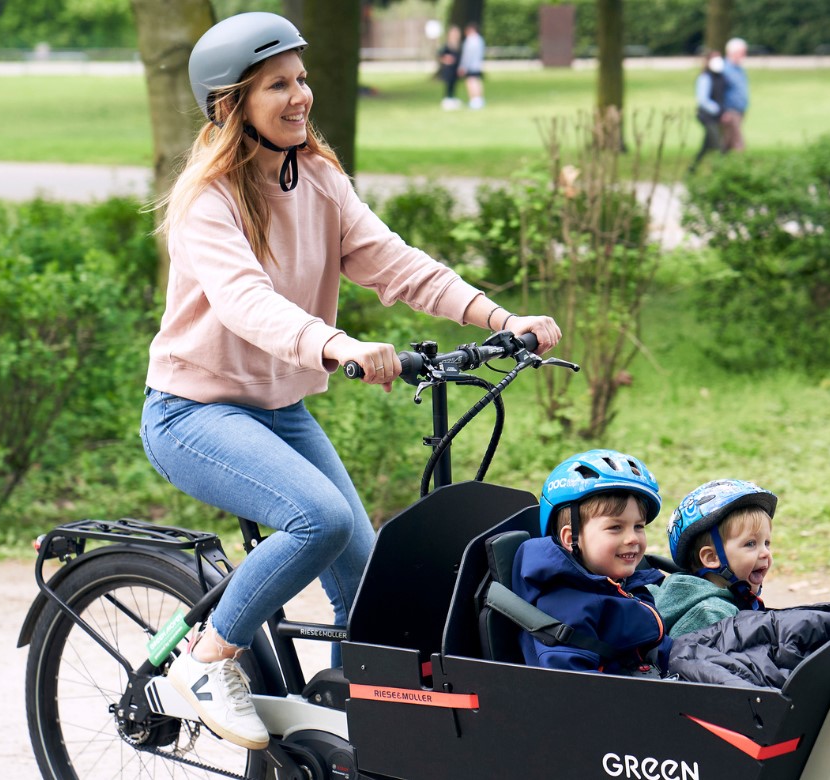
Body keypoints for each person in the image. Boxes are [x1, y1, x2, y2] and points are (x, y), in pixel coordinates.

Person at [143, 11, 561, 750]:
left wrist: (499, 318)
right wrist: (336, 345)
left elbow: (395, 264)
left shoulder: (320, 179)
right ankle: (208, 662)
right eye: (277, 84)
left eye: (302, 79)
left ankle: (355, 741)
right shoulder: (207, 203)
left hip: (278, 410)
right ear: (230, 103)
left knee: (369, 588)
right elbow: (249, 304)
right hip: (193, 414)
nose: (300, 95)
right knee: (322, 519)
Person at [512, 450, 671, 674]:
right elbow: (575, 687)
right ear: (571, 539)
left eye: (638, 526)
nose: (633, 538)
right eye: (615, 528)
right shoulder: (566, 608)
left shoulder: (620, 583)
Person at [655, 479, 777, 637]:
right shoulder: (710, 615)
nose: (765, 553)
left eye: (766, 543)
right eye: (751, 543)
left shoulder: (728, 601)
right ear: (711, 557)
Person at [690, 50, 727, 173]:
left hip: (715, 116)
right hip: (706, 116)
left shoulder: (720, 76)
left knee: (706, 146)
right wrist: (718, 110)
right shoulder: (705, 77)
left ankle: (692, 169)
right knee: (717, 144)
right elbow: (703, 100)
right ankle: (721, 171)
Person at [720, 37, 749, 152]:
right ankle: (742, 166)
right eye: (742, 52)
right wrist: (723, 111)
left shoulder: (739, 69)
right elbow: (719, 92)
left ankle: (720, 163)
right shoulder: (724, 70)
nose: (744, 55)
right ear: (733, 53)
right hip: (730, 111)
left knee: (727, 141)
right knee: (738, 143)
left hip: (740, 110)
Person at [459, 22, 486, 110]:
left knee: (471, 82)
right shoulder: (480, 39)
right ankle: (479, 99)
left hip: (470, 65)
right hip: (477, 64)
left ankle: (474, 100)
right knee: (477, 81)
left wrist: (463, 66)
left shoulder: (470, 40)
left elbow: (467, 55)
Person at [437, 24, 462, 110]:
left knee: (454, 85)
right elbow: (440, 55)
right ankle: (447, 100)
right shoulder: (447, 45)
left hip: (456, 69)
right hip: (449, 69)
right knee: (448, 85)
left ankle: (452, 99)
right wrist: (446, 59)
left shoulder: (458, 45)